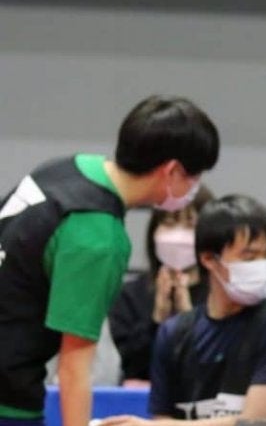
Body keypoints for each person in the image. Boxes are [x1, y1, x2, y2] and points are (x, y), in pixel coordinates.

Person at [0, 95, 219, 426]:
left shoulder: (66, 168)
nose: (195, 187)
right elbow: (74, 366)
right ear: (172, 171)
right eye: (194, 176)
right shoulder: (99, 239)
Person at [102, 194, 266, 425]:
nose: (261, 266)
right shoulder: (173, 333)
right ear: (209, 259)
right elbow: (163, 419)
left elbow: (254, 421)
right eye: (249, 256)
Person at [108, 185, 215, 385]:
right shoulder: (129, 295)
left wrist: (188, 319)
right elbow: (130, 364)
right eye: (169, 222)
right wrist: (157, 318)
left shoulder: (219, 295)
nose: (178, 235)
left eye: (190, 224)